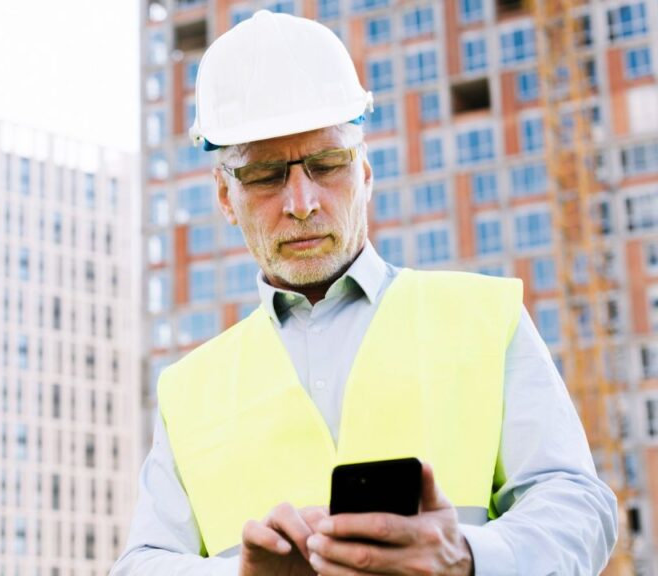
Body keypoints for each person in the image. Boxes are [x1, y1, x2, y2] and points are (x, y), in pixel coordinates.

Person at [111, 10, 618, 576]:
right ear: (226, 198)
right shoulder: (187, 391)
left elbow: (579, 506)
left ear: (366, 173)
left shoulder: (485, 318)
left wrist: (467, 557)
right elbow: (139, 566)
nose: (302, 202)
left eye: (328, 165)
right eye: (263, 176)